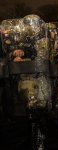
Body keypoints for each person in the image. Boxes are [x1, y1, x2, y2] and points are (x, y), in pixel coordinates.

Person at [1, 15, 51, 150]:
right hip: (23, 80)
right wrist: (14, 54)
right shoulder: (22, 40)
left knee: (37, 112)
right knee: (27, 112)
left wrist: (23, 61)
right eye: (27, 25)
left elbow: (42, 59)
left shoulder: (43, 39)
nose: (29, 28)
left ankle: (40, 142)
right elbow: (10, 54)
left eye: (32, 25)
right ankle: (31, 140)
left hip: (37, 80)